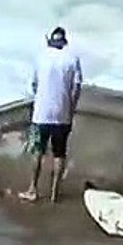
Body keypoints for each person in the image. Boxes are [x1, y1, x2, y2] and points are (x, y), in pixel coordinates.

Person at [20, 26, 83, 203]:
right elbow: (76, 88)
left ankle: (33, 189)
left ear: (50, 41)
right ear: (64, 42)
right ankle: (55, 192)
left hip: (41, 115)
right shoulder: (73, 59)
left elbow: (34, 85)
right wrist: (71, 109)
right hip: (62, 114)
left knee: (38, 152)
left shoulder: (41, 58)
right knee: (59, 153)